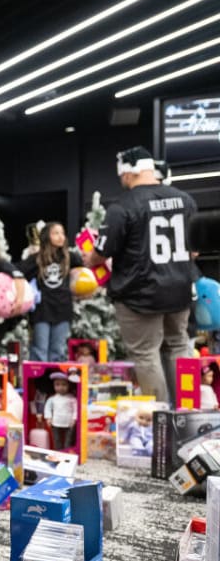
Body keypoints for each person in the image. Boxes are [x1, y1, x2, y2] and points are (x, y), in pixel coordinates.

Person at [87, 146, 196, 402]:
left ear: (127, 172)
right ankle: (187, 414)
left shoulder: (123, 206)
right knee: (178, 347)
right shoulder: (186, 200)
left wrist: (89, 257)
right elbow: (195, 251)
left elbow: (103, 252)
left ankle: (159, 420)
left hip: (139, 294)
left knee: (146, 354)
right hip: (180, 289)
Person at [17, 222, 83, 362]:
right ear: (47, 236)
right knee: (40, 349)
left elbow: (86, 268)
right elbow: (18, 272)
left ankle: (55, 382)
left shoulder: (70, 257)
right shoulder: (37, 258)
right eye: (56, 233)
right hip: (42, 310)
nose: (60, 237)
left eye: (62, 233)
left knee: (57, 351)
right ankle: (38, 381)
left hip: (63, 309)